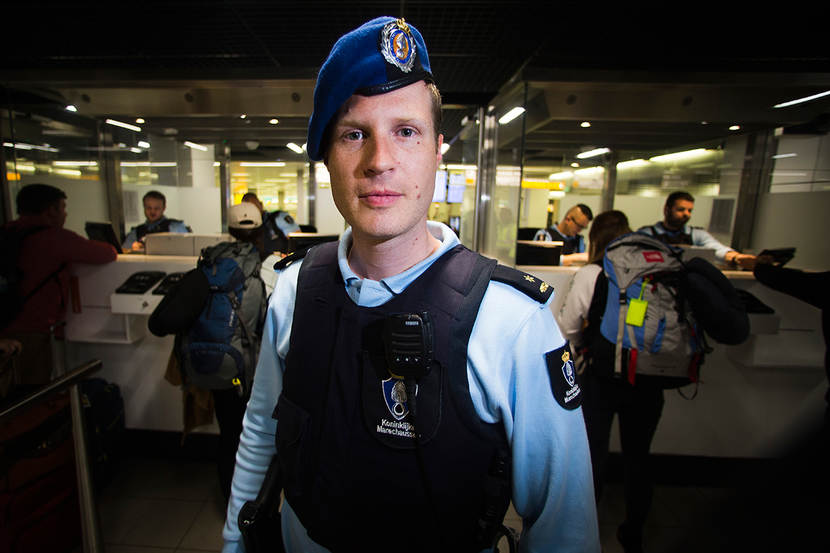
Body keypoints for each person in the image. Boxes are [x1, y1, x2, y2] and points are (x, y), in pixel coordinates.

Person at [222, 16, 599, 553]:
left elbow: (565, 527)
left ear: (437, 151)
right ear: (326, 156)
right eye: (354, 134)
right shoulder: (296, 288)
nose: (380, 162)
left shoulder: (512, 321)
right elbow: (262, 431)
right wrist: (234, 543)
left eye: (406, 131)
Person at [557, 210, 661, 553]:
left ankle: (585, 530)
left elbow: (568, 328)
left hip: (601, 377)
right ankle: (634, 531)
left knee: (593, 453)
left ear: (596, 238)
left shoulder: (592, 273)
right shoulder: (653, 273)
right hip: (647, 377)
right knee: (639, 455)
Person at [1, 184, 117, 396]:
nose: (65, 214)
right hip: (32, 330)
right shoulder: (54, 238)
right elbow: (107, 253)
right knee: (31, 395)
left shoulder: (7, 232)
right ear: (51, 211)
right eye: (63, 208)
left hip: (5, 326)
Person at [638, 191, 756, 269]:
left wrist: (737, 258)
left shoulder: (696, 234)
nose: (686, 214)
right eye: (680, 209)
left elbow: (717, 249)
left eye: (690, 210)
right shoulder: (647, 234)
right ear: (666, 210)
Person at [122, 190, 190, 252]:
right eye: (149, 208)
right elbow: (124, 252)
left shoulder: (175, 227)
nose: (152, 212)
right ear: (144, 207)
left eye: (156, 208)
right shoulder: (136, 232)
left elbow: (187, 249)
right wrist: (133, 249)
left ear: (164, 208)